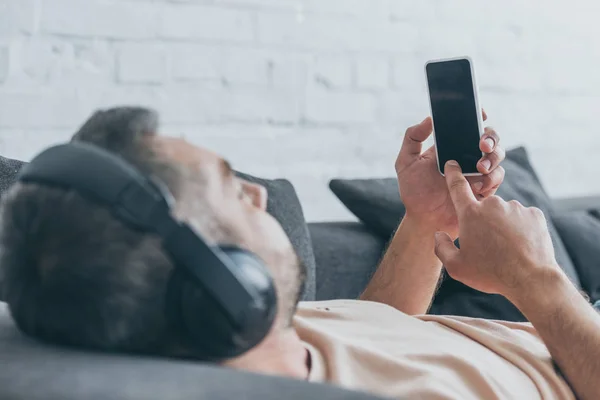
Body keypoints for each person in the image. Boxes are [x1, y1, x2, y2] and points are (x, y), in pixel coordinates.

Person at [0, 107, 598, 400]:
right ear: (223, 282)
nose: (260, 192)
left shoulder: (269, 328)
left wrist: (424, 222)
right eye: (233, 190)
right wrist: (534, 278)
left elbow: (381, 329)